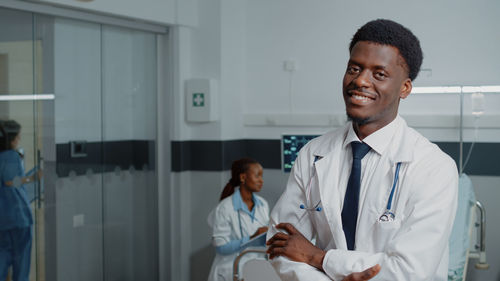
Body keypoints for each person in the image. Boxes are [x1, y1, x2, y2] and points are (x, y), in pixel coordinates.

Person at [266, 19, 458, 281]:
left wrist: (319, 258)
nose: (361, 81)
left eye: (379, 74)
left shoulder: (433, 167)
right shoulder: (313, 154)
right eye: (354, 69)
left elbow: (408, 270)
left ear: (405, 88)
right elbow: (280, 243)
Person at [207, 158, 270, 281]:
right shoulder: (225, 208)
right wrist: (252, 238)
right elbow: (221, 248)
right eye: (257, 176)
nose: (261, 181)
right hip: (230, 268)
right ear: (243, 178)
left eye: (262, 176)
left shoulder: (262, 204)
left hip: (256, 267)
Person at [0, 120, 39, 281]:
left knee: (2, 259)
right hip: (18, 219)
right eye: (17, 136)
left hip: (3, 220)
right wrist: (31, 178)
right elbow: (10, 181)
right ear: (11, 139)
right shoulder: (11, 156)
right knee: (21, 265)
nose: (19, 139)